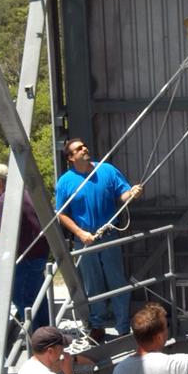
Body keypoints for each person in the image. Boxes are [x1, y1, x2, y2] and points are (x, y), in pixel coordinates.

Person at [55, 139, 143, 339]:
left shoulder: (107, 170)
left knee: (117, 282)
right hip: (85, 239)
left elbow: (123, 194)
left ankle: (122, 328)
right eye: (78, 149)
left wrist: (132, 193)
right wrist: (79, 233)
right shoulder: (65, 181)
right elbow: (61, 213)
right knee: (93, 285)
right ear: (70, 158)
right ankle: (98, 327)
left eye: (84, 146)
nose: (84, 149)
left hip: (109, 235)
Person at [0, 162, 51, 330]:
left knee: (20, 298)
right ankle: (47, 333)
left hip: (25, 256)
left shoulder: (6, 198)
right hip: (39, 253)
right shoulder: (22, 192)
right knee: (38, 297)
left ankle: (37, 338)